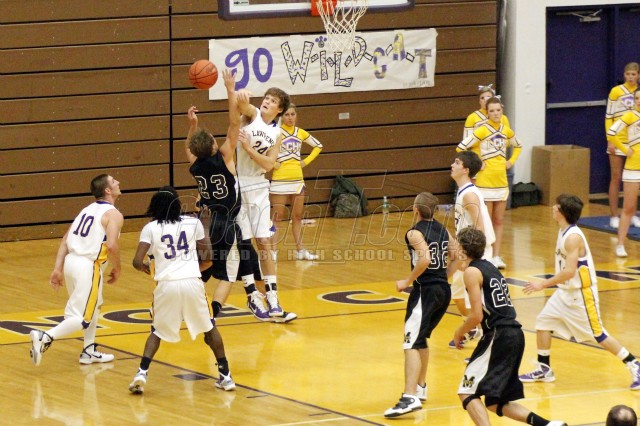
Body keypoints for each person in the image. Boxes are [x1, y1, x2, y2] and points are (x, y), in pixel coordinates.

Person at [519, 194, 640, 391]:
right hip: (565, 292)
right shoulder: (563, 229)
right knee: (543, 322)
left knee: (598, 334)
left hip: (581, 294)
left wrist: (543, 284)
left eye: (556, 206)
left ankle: (633, 363)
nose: (553, 208)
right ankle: (544, 368)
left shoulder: (573, 238)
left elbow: (569, 272)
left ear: (562, 212)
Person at [453, 227, 567, 426]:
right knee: (495, 403)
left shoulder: (472, 272)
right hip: (514, 334)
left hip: (498, 334)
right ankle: (548, 425)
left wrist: (458, 332)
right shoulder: (490, 267)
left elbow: (477, 315)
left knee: (467, 391)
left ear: (463, 249)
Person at [128, 187, 235, 394]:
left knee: (157, 331)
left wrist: (148, 269)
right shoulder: (193, 222)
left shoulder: (150, 228)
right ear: (177, 204)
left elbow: (136, 262)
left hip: (166, 285)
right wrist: (205, 225)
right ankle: (226, 376)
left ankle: (142, 373)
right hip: (192, 283)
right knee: (209, 327)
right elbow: (208, 257)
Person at [29, 174, 124, 366]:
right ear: (107, 190)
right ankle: (45, 336)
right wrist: (117, 268)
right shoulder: (113, 214)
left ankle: (89, 351)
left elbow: (65, 239)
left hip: (71, 263)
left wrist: (58, 268)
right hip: (88, 266)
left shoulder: (86, 210)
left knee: (94, 306)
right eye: (114, 181)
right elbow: (112, 246)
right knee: (81, 317)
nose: (118, 183)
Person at [384, 192, 453, 418]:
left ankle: (409, 396)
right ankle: (421, 387)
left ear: (415, 209)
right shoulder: (444, 230)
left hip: (425, 291)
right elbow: (458, 256)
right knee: (420, 339)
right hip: (443, 290)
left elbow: (425, 259)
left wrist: (407, 281)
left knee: (410, 342)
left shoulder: (414, 232)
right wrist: (444, 277)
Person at [235, 86, 296, 320]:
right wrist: (239, 95)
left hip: (259, 187)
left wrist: (249, 149)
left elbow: (269, 165)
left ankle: (272, 297)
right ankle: (252, 295)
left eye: (272, 101)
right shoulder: (253, 115)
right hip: (240, 184)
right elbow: (242, 106)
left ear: (279, 109)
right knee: (244, 243)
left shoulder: (277, 133)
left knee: (264, 243)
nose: (267, 102)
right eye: (266, 98)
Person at [457, 96, 522, 270]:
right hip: (485, 181)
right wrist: (478, 161)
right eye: (492, 111)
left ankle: (496, 256)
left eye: (498, 110)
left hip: (501, 181)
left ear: (502, 111)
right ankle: (483, 255)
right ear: (487, 113)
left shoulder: (506, 130)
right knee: (484, 222)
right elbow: (461, 146)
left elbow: (518, 146)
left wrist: (511, 161)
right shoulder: (482, 130)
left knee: (499, 220)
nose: (496, 113)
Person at [447, 151, 495, 349]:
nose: (452, 165)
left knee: (478, 303)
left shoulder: (469, 194)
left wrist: (471, 259)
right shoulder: (463, 191)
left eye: (457, 162)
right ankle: (473, 329)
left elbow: (479, 228)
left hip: (476, 252)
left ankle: (487, 343)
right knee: (457, 294)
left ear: (465, 170)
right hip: (466, 251)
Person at [270, 103, 323, 261]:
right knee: (277, 218)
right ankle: (272, 252)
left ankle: (301, 250)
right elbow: (263, 150)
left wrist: (305, 162)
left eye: (293, 114)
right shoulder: (275, 132)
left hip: (298, 180)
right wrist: (272, 163)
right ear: (281, 116)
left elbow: (318, 146)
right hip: (279, 181)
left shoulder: (300, 132)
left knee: (298, 216)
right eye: (287, 115)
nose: (290, 118)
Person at [605, 62, 640, 229]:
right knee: (616, 177)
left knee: (634, 180)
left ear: (638, 75)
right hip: (618, 139)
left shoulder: (638, 93)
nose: (631, 77)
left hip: (635, 141)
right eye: (628, 74)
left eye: (634, 74)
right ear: (624, 75)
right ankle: (614, 215)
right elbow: (608, 116)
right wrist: (610, 140)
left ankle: (631, 214)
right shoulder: (616, 91)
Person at [607, 87, 640, 258]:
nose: (639, 101)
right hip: (633, 169)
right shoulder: (630, 116)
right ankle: (620, 244)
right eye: (637, 98)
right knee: (629, 208)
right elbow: (612, 132)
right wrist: (624, 148)